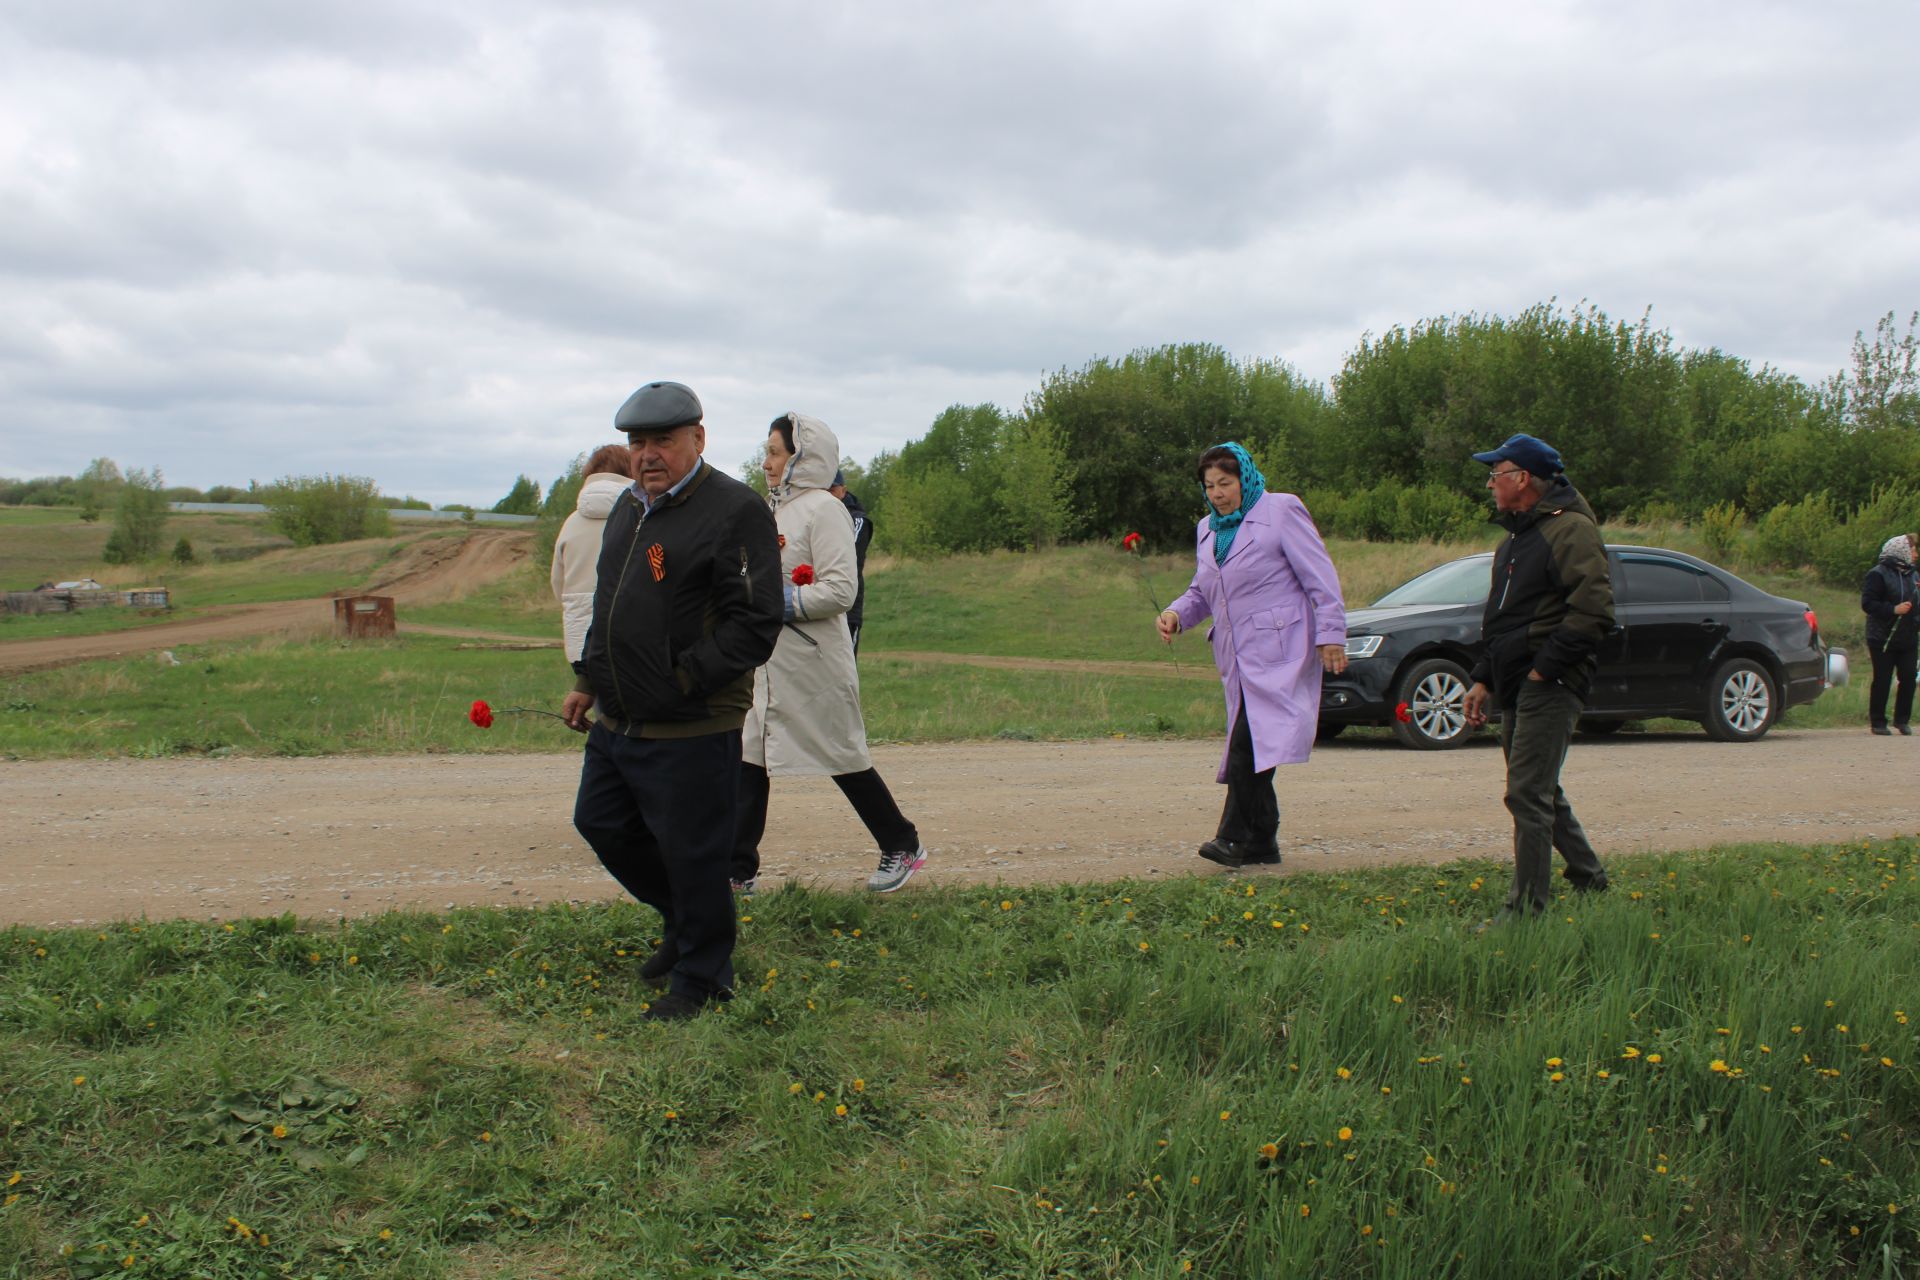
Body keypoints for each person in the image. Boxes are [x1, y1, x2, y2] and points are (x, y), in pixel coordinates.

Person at [562, 381, 783, 1021]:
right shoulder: (631, 509)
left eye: (663, 440)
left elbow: (755, 623)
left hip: (692, 719)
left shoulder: (734, 509)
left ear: (699, 439)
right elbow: (610, 608)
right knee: (601, 823)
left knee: (693, 851)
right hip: (620, 713)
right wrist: (587, 681)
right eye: (638, 442)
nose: (648, 454)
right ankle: (686, 924)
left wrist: (682, 680)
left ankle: (705, 977)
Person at [732, 412, 928, 894]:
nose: (767, 462)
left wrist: (775, 602)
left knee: (843, 754)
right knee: (750, 756)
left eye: (775, 452)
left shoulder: (824, 509)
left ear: (802, 455)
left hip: (814, 663)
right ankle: (737, 871)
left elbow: (841, 590)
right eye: (768, 452)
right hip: (769, 663)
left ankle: (902, 844)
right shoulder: (771, 510)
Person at [1156, 442, 1347, 870]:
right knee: (1256, 742)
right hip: (1237, 655)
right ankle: (1263, 841)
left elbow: (1321, 576)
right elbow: (1203, 589)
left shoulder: (1281, 511)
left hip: (1281, 649)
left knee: (1249, 742)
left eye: (1225, 482)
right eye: (1209, 485)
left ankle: (1231, 838)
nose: (1218, 493)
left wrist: (1332, 633)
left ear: (1244, 477)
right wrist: (1175, 614)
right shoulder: (1207, 528)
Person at [1461, 433, 1613, 921]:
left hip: (1551, 680)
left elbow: (1593, 610)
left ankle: (1525, 913)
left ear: (1522, 479)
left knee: (1526, 792)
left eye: (1495, 474)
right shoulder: (1513, 538)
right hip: (1515, 680)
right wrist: (1484, 676)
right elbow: (1501, 619)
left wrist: (1545, 669)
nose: (1489, 484)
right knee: (1539, 788)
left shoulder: (1571, 530)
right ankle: (1589, 877)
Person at [549, 443, 632, 666]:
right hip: (631, 636)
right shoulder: (640, 516)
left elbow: (558, 584)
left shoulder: (571, 523)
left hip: (580, 637)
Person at [1861, 531, 1918, 736]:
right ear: (1901, 551)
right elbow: (1868, 604)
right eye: (1913, 549)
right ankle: (1878, 721)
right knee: (1883, 678)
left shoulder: (1913, 574)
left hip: (1908, 637)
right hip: (1882, 637)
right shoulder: (1877, 574)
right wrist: (1893, 609)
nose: (1916, 554)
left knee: (1909, 677)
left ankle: (1902, 720)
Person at [829, 469, 872, 654]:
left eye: (832, 490)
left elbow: (847, 556)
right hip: (819, 606)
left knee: (846, 671)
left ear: (843, 491)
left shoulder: (858, 520)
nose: (827, 495)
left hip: (847, 608)